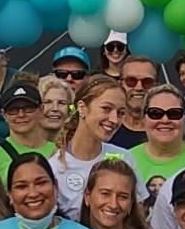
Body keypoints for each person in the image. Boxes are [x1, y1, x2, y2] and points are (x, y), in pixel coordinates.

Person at [48, 75, 133, 216]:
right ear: (82, 107)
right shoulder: (54, 167)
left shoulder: (125, 158)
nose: (114, 119)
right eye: (106, 108)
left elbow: (136, 217)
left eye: (120, 113)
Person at [127, 84, 185, 188]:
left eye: (174, 113)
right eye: (155, 113)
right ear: (143, 119)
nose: (165, 120)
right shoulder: (127, 160)